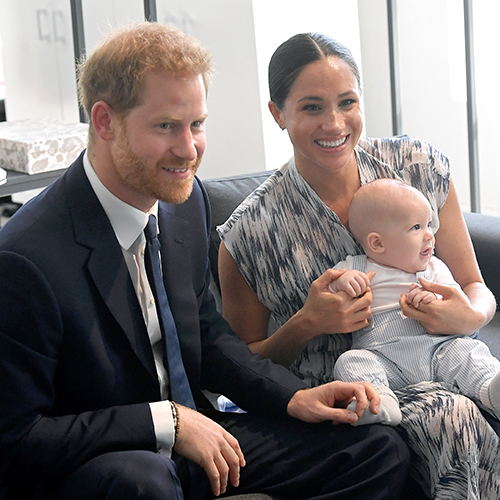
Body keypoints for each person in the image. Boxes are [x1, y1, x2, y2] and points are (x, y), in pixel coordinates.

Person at [0, 22, 412, 500]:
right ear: (105, 121)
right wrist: (166, 421)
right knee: (144, 484)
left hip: (200, 435)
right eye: (166, 126)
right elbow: (15, 440)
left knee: (376, 448)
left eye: (197, 124)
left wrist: (293, 396)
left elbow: (209, 337)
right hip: (109, 464)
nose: (189, 148)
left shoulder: (184, 203)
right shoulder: (24, 259)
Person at [217, 32, 500, 499]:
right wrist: (305, 324)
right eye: (311, 107)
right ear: (277, 113)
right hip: (354, 394)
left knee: (466, 392)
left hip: (446, 357)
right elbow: (239, 367)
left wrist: (471, 315)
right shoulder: (249, 233)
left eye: (347, 102)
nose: (335, 123)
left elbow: (475, 284)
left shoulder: (417, 168)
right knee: (451, 415)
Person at [327, 178, 500, 427]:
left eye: (429, 224)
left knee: (467, 352)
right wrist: (344, 282)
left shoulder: (434, 268)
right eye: (416, 227)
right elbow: (328, 288)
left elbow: (456, 302)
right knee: (351, 361)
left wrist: (434, 301)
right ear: (377, 243)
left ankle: (489, 389)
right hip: (385, 359)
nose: (430, 235)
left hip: (438, 351)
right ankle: (381, 402)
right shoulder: (356, 267)